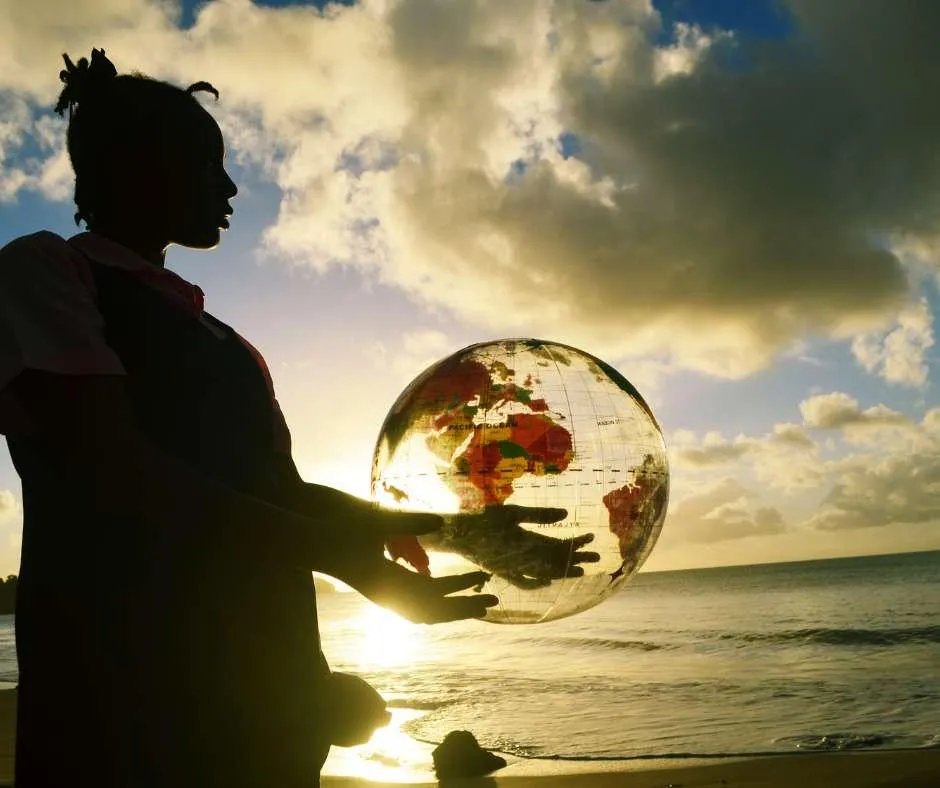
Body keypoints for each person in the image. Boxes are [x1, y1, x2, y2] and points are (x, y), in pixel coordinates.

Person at [0, 50, 601, 786]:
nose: (227, 185)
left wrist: (454, 532)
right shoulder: (47, 273)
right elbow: (117, 477)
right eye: (204, 161)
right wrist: (357, 562)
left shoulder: (225, 342)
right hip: (121, 703)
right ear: (132, 165)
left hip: (265, 710)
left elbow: (277, 494)